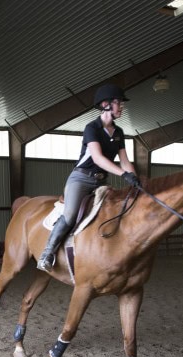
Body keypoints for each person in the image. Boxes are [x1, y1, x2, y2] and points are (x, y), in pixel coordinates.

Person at [37, 83, 142, 272]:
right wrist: (124, 174)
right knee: (69, 215)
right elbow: (98, 158)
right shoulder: (91, 128)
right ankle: (47, 253)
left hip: (101, 182)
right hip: (81, 179)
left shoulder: (118, 133)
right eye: (118, 103)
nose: (122, 106)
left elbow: (124, 160)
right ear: (106, 105)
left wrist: (135, 178)